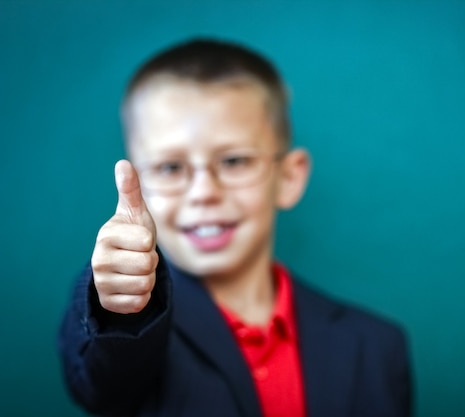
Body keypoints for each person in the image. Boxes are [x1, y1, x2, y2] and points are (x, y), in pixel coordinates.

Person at [58, 38, 413, 417]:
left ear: (289, 177)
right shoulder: (135, 332)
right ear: (140, 183)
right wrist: (119, 306)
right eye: (170, 168)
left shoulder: (375, 347)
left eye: (234, 161)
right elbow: (101, 379)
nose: (204, 192)